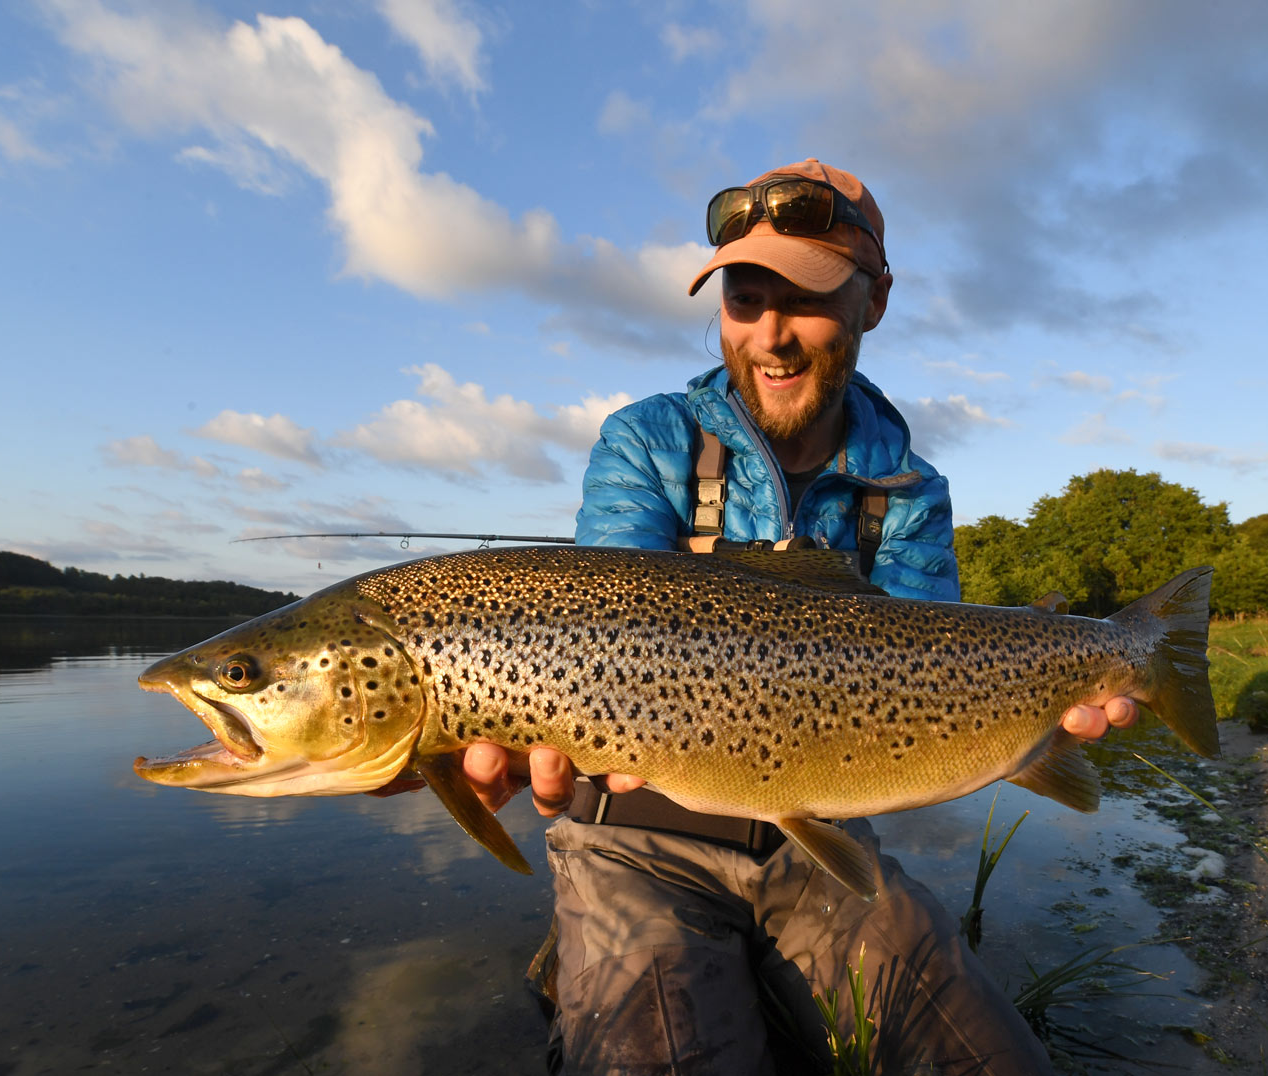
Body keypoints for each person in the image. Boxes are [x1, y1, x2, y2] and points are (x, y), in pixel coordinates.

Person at [461, 159, 1140, 1075]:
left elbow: (927, 670)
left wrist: (1034, 719)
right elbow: (599, 602)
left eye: (807, 298)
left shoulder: (909, 488)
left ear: (875, 301)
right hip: (635, 837)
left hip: (820, 839)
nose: (772, 337)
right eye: (746, 298)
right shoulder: (648, 439)